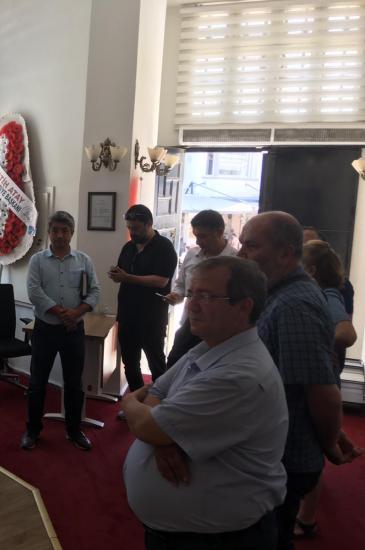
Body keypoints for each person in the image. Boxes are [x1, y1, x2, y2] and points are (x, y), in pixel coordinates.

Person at [123, 256, 288, 549]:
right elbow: (156, 392)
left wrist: (129, 403)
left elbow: (146, 422)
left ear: (244, 307)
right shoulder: (209, 347)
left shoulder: (240, 375)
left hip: (217, 540)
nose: (191, 306)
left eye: (207, 296)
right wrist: (162, 439)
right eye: (191, 294)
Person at [238, 211, 362, 550]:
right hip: (275, 448)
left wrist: (329, 442)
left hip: (285, 455)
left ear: (286, 253)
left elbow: (321, 391)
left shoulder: (295, 304)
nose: (241, 253)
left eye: (251, 246)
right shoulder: (280, 293)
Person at [293, 239, 358, 538]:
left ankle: (306, 520)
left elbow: (346, 333)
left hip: (322, 380)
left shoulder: (328, 294)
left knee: (313, 449)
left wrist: (316, 342)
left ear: (311, 269)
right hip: (322, 378)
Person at [21, 211, 100, 451]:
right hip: (45, 329)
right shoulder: (38, 261)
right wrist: (61, 313)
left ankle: (74, 431)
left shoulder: (83, 261)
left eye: (64, 231)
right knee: (37, 383)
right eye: (55, 230)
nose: (59, 235)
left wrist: (76, 314)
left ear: (71, 233)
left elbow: (94, 292)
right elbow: (34, 291)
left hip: (73, 331)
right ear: (49, 233)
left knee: (74, 383)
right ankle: (32, 430)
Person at [109, 204, 177, 419]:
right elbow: (122, 272)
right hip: (127, 313)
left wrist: (128, 277)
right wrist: (117, 274)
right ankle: (137, 404)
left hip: (152, 315)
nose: (132, 232)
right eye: (129, 227)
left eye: (136, 228)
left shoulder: (164, 247)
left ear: (149, 224)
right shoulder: (128, 247)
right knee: (130, 363)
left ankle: (161, 407)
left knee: (156, 363)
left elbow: (161, 281)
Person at [164, 209, 238, 367]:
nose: (198, 242)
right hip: (189, 324)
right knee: (174, 364)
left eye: (202, 236)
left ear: (219, 232)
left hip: (219, 329)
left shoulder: (235, 261)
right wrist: (176, 296)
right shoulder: (192, 254)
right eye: (196, 236)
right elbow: (181, 285)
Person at [302, 225, 355, 315]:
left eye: (312, 245)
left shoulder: (340, 288)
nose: (306, 249)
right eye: (303, 245)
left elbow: (345, 320)